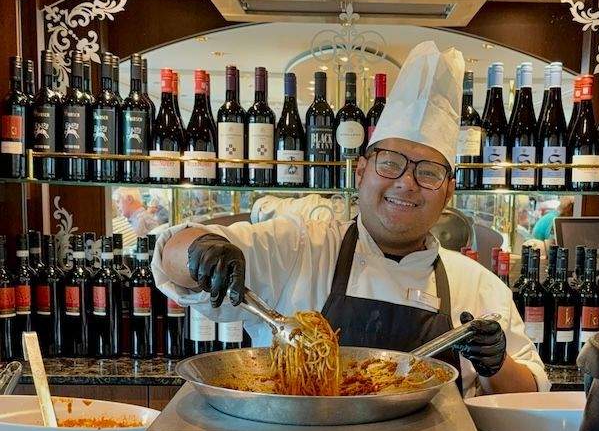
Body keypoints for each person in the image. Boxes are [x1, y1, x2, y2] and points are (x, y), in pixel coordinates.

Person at [152, 42, 549, 395]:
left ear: (448, 190)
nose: (407, 184)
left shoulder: (478, 286)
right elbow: (173, 256)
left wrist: (495, 365)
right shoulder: (300, 247)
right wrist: (199, 250)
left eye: (428, 172)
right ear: (361, 172)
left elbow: (529, 391)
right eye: (390, 163)